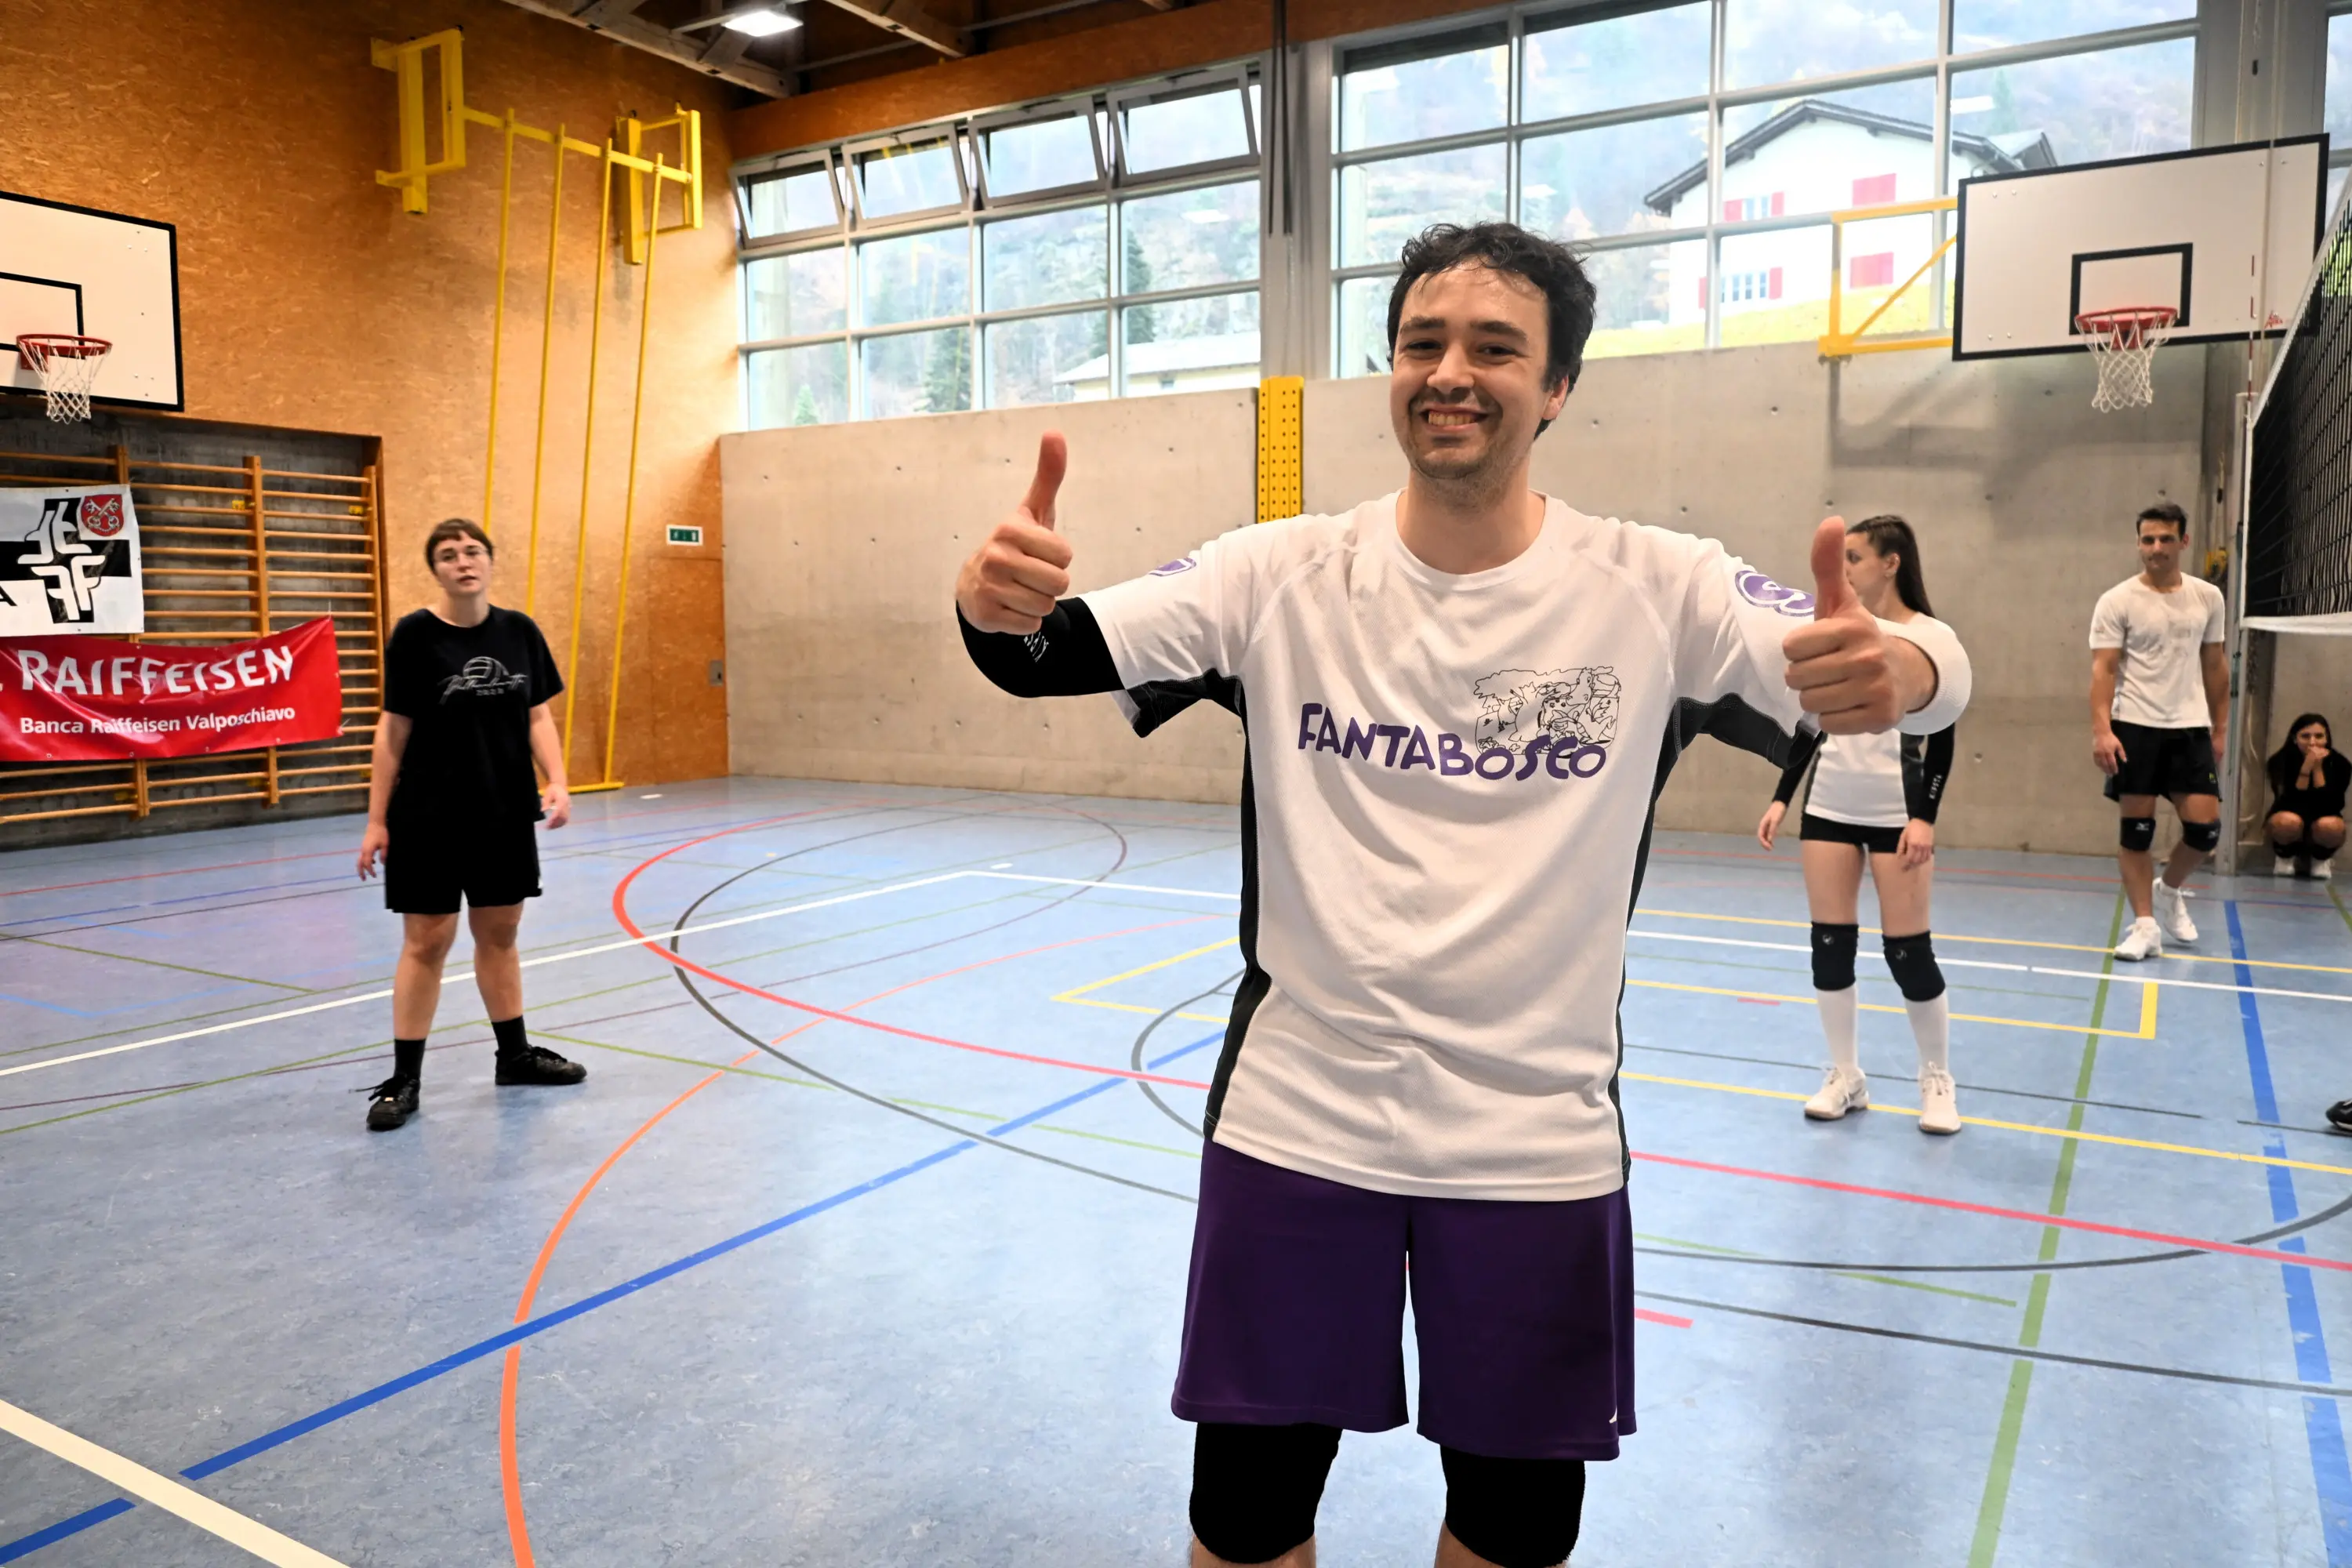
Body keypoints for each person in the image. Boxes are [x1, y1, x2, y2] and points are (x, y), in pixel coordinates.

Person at [952, 222, 1970, 1568]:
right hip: (1300, 1126)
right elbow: (1042, 654)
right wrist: (990, 601)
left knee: (1512, 1532)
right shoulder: (1279, 574)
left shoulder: (1659, 588)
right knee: (1245, 1525)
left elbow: (1916, 659)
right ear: (1390, 370)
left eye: (1498, 348)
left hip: (1533, 1146)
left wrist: (1910, 667)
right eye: (1424, 344)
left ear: (1555, 389)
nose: (1454, 372)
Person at [354, 517, 586, 1133]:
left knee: (501, 934)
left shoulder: (520, 632)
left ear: (490, 561)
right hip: (428, 815)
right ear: (435, 569)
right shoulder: (414, 636)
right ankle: (404, 1080)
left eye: (474, 551)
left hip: (505, 812)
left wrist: (557, 781)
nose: (464, 561)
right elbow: (392, 731)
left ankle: (514, 1056)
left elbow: (538, 715)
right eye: (450, 554)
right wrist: (377, 820)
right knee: (427, 941)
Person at [1755, 516, 1958, 1135]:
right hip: (1829, 811)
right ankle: (1845, 1074)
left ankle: (1936, 1079)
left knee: (1908, 953)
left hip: (1897, 815)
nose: (1844, 569)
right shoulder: (1839, 632)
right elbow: (1811, 723)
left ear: (1891, 562)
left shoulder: (1930, 639)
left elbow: (1945, 739)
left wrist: (1924, 817)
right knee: (1829, 945)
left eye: (1855, 558)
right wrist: (1782, 798)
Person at [2088, 502, 2227, 961]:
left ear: (2184, 542)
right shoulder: (2117, 600)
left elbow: (2215, 664)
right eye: (2148, 540)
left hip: (2189, 729)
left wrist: (2220, 727)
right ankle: (2145, 926)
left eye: (2166, 539)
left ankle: (2169, 889)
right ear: (2139, 543)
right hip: (2135, 728)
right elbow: (2103, 669)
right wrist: (2102, 730)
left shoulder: (2208, 597)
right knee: (2136, 832)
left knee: (2205, 831)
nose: (2156, 548)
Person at [2266, 713, 2348, 879]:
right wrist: (2305, 770)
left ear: (2327, 739)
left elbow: (2331, 805)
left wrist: (2317, 770)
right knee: (2287, 822)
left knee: (2332, 826)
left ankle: (2321, 859)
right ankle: (2285, 856)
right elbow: (2289, 803)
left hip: (2323, 819)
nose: (2313, 742)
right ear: (2295, 739)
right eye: (2305, 736)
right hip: (2290, 817)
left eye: (2319, 736)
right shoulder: (2279, 761)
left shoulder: (2340, 763)